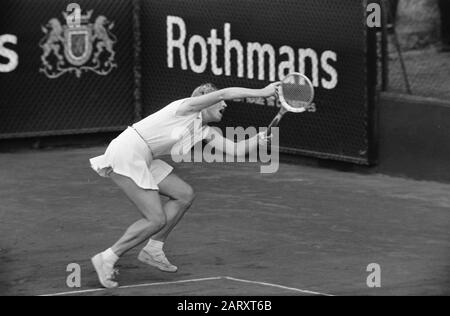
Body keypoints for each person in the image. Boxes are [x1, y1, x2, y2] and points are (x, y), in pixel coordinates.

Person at [89, 82, 280, 288]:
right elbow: (224, 93)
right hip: (128, 151)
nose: (224, 104)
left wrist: (257, 140)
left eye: (223, 101)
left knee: (184, 194)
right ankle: (107, 257)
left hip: (145, 156)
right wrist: (262, 92)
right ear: (205, 100)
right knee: (155, 219)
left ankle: (153, 248)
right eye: (219, 101)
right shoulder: (185, 107)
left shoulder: (204, 130)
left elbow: (235, 150)